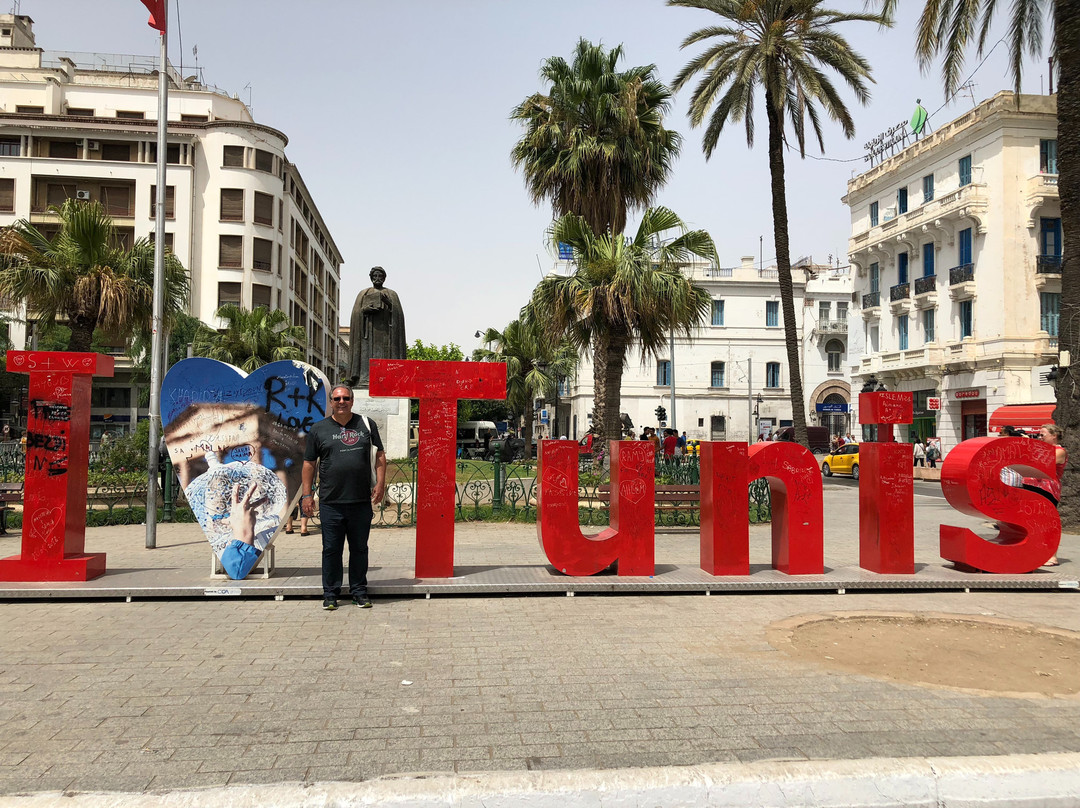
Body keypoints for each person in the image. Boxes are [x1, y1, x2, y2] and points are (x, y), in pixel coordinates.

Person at [302, 385, 387, 610]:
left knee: (359, 549)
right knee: (331, 550)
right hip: (331, 503)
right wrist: (307, 495)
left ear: (352, 401)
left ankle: (359, 591)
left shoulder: (366, 424)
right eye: (337, 398)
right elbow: (309, 463)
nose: (342, 402)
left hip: (360, 501)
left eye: (346, 398)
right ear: (331, 402)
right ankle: (331, 594)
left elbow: (379, 455)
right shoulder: (318, 429)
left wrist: (380, 484)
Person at [347, 266, 407, 388]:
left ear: (384, 278)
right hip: (367, 335)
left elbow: (398, 315)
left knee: (386, 357)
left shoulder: (392, 294)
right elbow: (356, 314)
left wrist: (388, 303)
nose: (377, 278)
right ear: (371, 278)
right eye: (375, 276)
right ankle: (364, 379)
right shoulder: (364, 293)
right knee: (366, 358)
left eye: (380, 276)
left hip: (387, 334)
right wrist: (365, 310)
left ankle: (387, 380)